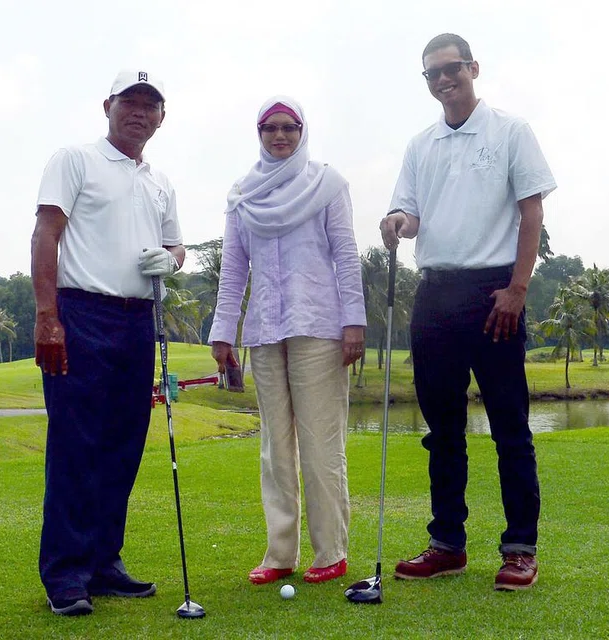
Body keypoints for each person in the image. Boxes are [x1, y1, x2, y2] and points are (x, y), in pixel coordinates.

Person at [380, 34, 556, 591]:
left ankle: (520, 549)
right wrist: (396, 222)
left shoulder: (511, 131)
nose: (442, 80)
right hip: (434, 292)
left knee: (510, 426)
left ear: (473, 68)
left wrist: (518, 287)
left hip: (494, 293)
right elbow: (410, 213)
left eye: (451, 69)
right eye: (431, 74)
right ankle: (447, 544)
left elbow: (532, 214)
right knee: (443, 429)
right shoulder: (421, 144)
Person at [30, 69, 185, 616]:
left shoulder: (159, 181)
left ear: (162, 117)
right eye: (130, 102)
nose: (139, 112)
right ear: (107, 105)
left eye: (151, 105)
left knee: (123, 443)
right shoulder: (75, 159)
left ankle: (103, 562)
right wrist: (48, 317)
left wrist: (172, 259)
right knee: (77, 445)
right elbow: (47, 231)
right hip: (81, 312)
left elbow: (174, 246)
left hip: (137, 319)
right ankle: (66, 573)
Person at [208, 96, 366, 586]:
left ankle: (330, 551)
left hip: (318, 326)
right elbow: (233, 270)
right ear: (258, 133)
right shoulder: (242, 195)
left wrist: (354, 322)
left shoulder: (326, 184)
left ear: (303, 131)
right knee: (275, 448)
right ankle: (280, 553)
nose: (280, 136)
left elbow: (345, 253)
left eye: (289, 128)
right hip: (264, 332)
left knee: (321, 444)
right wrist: (223, 332)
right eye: (270, 128)